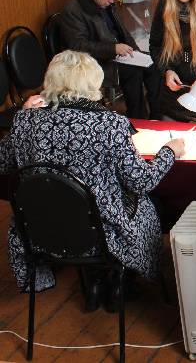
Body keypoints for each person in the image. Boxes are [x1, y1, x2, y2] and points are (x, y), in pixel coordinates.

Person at [0, 51, 184, 310]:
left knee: (80, 206)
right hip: (102, 235)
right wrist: (169, 152)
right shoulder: (109, 124)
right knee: (151, 205)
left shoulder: (25, 120)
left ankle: (95, 281)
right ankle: (121, 281)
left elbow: (3, 163)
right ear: (92, 84)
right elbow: (141, 181)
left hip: (43, 230)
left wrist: (24, 116)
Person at [60, 0, 161, 119]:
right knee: (133, 72)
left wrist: (135, 51)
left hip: (117, 54)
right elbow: (78, 46)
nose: (112, 1)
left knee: (154, 64)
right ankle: (138, 118)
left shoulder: (106, 4)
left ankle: (157, 116)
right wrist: (113, 49)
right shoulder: (73, 11)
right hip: (96, 61)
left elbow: (123, 32)